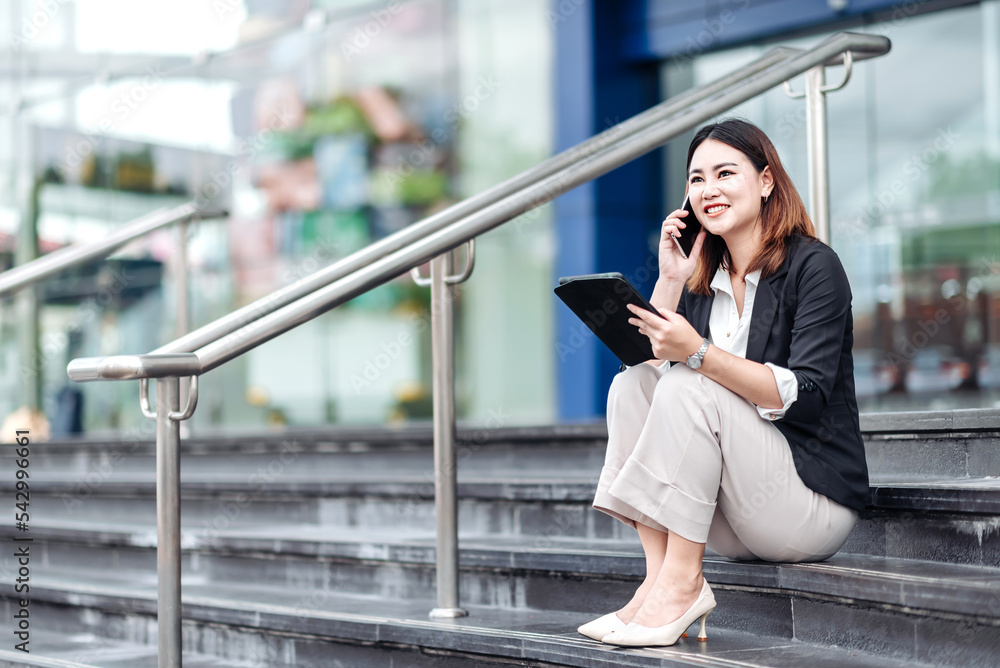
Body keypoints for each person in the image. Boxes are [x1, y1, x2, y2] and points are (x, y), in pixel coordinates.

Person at [578, 119, 868, 647]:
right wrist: (669, 277)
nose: (707, 189)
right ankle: (660, 578)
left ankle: (684, 584)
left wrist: (701, 355)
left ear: (765, 181)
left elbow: (809, 394)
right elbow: (648, 362)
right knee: (632, 384)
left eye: (724, 173)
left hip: (806, 504)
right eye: (696, 179)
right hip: (729, 511)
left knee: (692, 381)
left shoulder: (814, 267)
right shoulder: (700, 281)